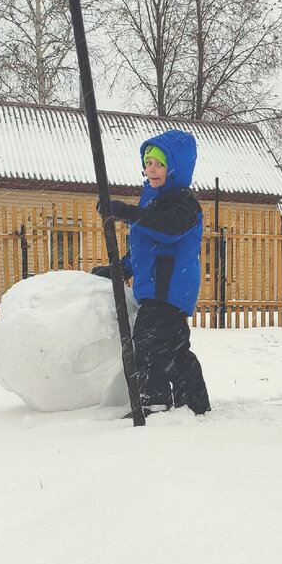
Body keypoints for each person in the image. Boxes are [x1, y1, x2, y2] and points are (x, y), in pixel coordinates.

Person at [95, 129, 211, 418]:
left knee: (147, 344)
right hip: (162, 289)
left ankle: (155, 402)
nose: (151, 169)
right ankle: (194, 402)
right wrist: (121, 269)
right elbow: (148, 249)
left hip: (167, 289)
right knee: (175, 350)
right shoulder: (154, 201)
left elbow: (168, 230)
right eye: (148, 163)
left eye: (159, 164)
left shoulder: (183, 203)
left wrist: (128, 213)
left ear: (175, 168)